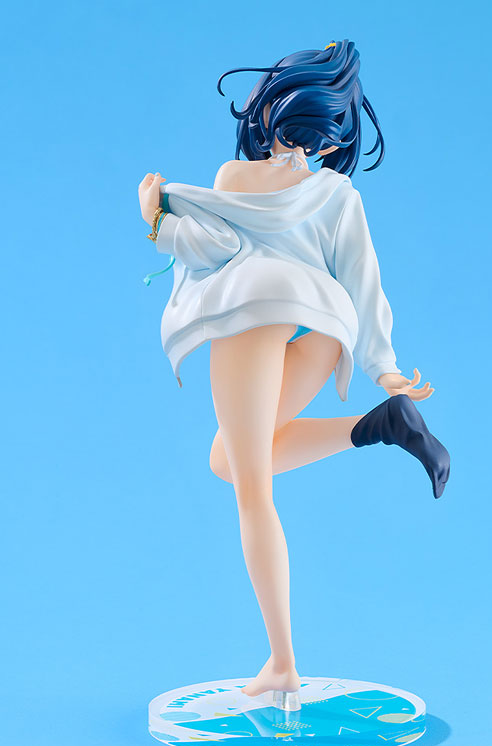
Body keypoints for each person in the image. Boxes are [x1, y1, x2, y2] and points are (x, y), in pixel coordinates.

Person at [137, 39, 450, 702]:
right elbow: (365, 282)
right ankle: (379, 424)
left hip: (254, 311)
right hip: (323, 329)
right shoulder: (338, 194)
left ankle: (281, 662)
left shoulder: (236, 176)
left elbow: (212, 246)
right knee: (227, 461)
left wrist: (157, 219)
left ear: (269, 110)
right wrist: (384, 368)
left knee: (252, 491)